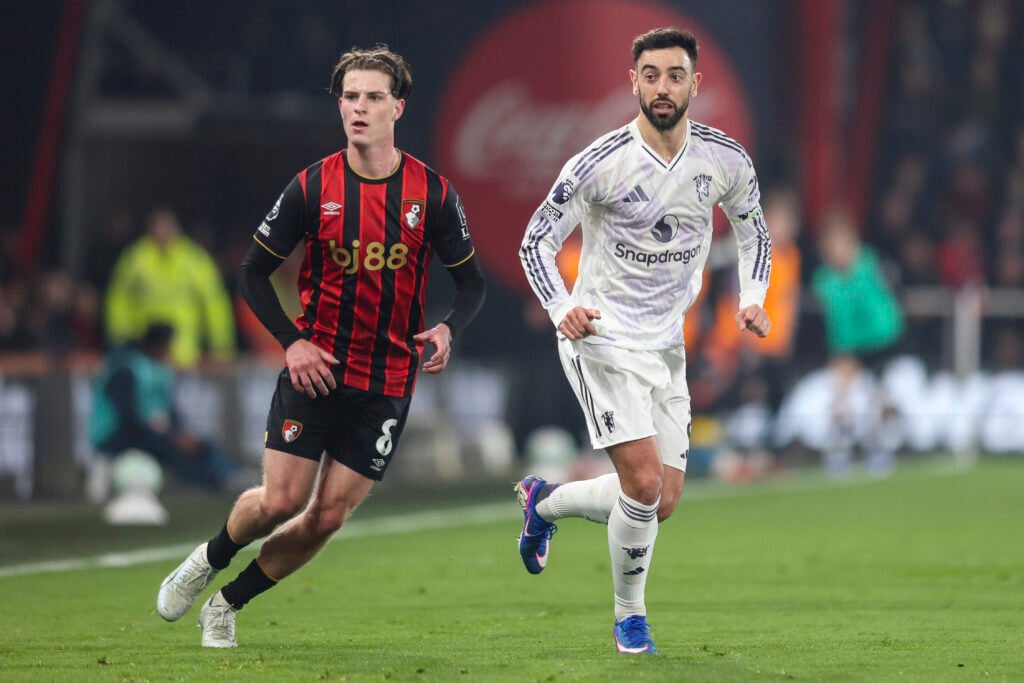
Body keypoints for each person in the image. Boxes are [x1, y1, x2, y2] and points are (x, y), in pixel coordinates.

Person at [156, 44, 485, 648]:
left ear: (398, 107)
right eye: (350, 97)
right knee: (281, 502)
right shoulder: (312, 186)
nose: (359, 108)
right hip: (318, 371)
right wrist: (293, 342)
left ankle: (226, 605)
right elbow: (252, 272)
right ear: (339, 105)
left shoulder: (433, 193)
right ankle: (209, 558)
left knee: (327, 516)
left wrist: (447, 328)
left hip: (387, 382)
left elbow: (471, 283)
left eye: (373, 97)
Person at [517, 27, 771, 654]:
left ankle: (543, 502)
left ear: (695, 84)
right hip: (601, 340)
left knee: (662, 500)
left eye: (675, 76)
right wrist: (561, 307)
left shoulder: (725, 159)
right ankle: (629, 618)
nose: (662, 87)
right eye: (650, 75)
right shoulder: (599, 162)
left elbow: (754, 230)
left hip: (666, 346)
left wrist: (753, 296)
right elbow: (535, 241)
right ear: (632, 82)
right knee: (642, 483)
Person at [88, 323, 241, 492]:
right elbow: (128, 416)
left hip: (148, 432)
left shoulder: (160, 370)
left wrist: (179, 433)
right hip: (115, 434)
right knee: (172, 448)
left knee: (198, 443)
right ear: (158, 345)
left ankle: (230, 476)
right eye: (168, 345)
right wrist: (170, 436)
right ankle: (209, 486)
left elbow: (168, 410)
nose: (170, 351)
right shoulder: (126, 369)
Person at [811, 207, 904, 476]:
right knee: (839, 392)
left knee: (881, 395)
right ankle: (841, 444)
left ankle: (881, 445)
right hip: (849, 348)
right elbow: (836, 326)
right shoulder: (824, 280)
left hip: (883, 344)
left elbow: (885, 316)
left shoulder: (870, 264)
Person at [104, 208, 236, 368]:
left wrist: (221, 346)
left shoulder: (194, 260)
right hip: (145, 351)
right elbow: (118, 298)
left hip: (184, 353)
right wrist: (119, 339)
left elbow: (214, 304)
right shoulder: (136, 258)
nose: (162, 234)